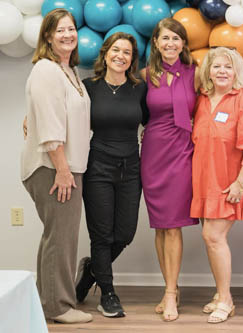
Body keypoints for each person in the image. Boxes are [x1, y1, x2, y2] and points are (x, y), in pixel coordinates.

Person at [20, 8, 92, 324]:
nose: (68, 35)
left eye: (71, 29)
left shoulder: (68, 71)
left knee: (58, 237)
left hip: (67, 164)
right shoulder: (47, 70)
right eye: (60, 30)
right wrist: (62, 169)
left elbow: (54, 114)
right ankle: (57, 307)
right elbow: (51, 128)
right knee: (60, 238)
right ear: (48, 36)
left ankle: (47, 299)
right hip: (53, 167)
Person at [192, 47, 243, 323]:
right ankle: (219, 294)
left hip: (230, 181)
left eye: (228, 66)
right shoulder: (202, 100)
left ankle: (226, 299)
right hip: (204, 179)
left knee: (213, 237)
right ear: (208, 71)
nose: (222, 71)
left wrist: (240, 182)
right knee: (211, 239)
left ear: (236, 71)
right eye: (216, 66)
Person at [74, 32, 148, 318]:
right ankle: (108, 292)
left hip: (131, 167)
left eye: (127, 52)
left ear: (132, 59)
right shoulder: (88, 87)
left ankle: (91, 271)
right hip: (98, 166)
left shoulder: (139, 89)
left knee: (125, 233)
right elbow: (65, 112)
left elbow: (154, 121)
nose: (120, 56)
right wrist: (32, 117)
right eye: (116, 50)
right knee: (101, 235)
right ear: (105, 53)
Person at [140, 18, 199, 322]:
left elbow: (217, 102)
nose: (171, 44)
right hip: (153, 153)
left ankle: (171, 293)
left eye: (176, 38)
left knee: (173, 224)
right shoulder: (145, 75)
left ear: (183, 43)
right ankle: (169, 287)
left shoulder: (196, 73)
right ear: (156, 43)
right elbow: (125, 108)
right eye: (165, 38)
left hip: (183, 152)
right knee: (161, 225)